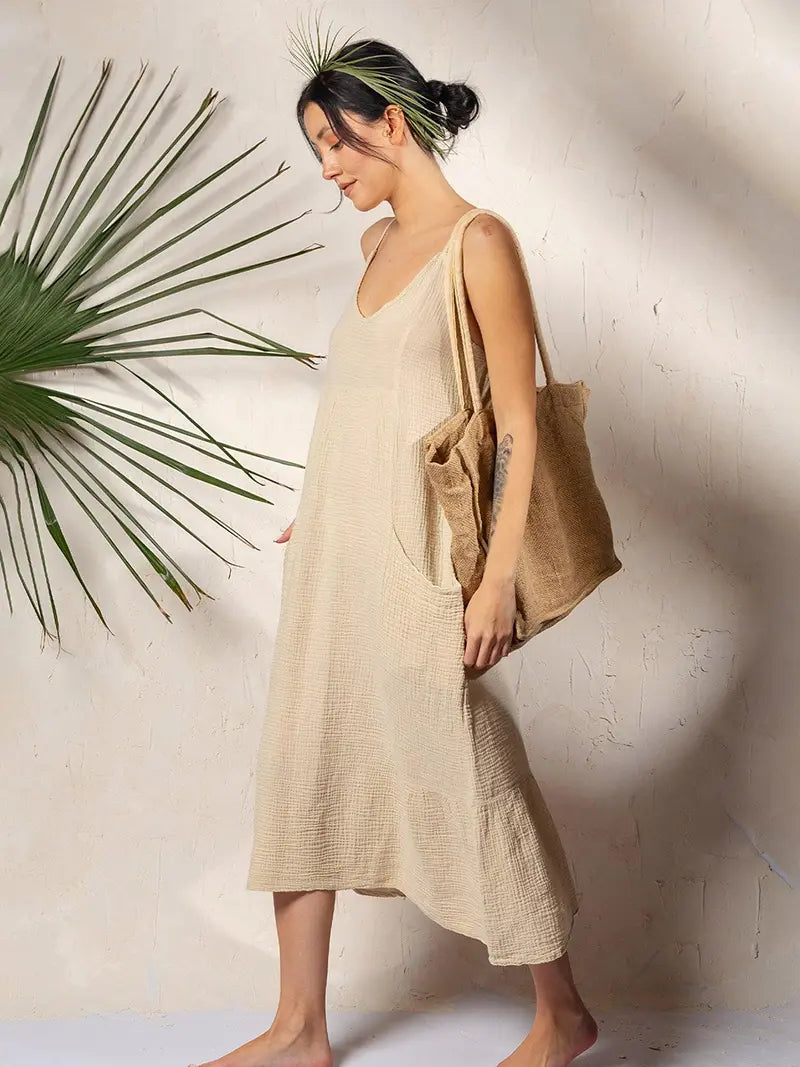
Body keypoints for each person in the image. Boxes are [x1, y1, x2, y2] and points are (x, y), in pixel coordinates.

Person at [193, 18, 598, 1067]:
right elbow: (373, 403)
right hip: (336, 553)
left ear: (394, 123)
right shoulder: (375, 247)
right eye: (316, 150)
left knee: (469, 766)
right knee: (304, 762)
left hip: (423, 561)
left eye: (337, 141)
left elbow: (516, 424)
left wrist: (495, 579)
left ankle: (561, 1013)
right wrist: (328, 503)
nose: (328, 168)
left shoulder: (479, 243)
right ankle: (299, 1028)